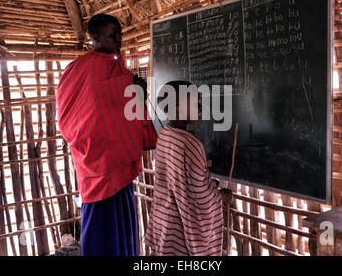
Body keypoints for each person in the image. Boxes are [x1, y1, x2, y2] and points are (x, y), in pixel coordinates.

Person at [57, 13, 157, 256]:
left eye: (120, 33)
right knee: (102, 227)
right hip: (96, 160)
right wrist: (136, 90)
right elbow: (72, 114)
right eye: (113, 34)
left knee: (122, 223)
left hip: (115, 160)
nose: (119, 39)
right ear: (95, 37)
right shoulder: (79, 69)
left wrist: (138, 90)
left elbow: (123, 103)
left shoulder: (116, 67)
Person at [145, 80, 232, 256]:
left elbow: (184, 182)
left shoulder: (165, 135)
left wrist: (207, 182)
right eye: (195, 103)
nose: (200, 108)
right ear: (177, 109)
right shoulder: (190, 144)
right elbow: (197, 197)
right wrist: (220, 195)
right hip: (181, 235)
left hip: (165, 225)